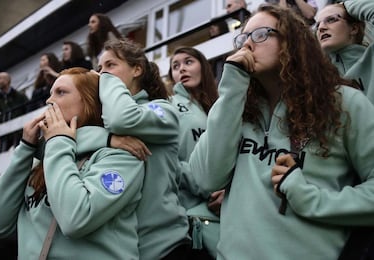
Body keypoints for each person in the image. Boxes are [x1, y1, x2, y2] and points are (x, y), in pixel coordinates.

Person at [183, 4, 374, 259]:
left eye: (260, 34)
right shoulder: (236, 106)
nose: (247, 45)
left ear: (292, 42)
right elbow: (206, 179)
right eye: (243, 38)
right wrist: (230, 92)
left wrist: (310, 200)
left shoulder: (344, 103)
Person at [0, 67, 145, 259]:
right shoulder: (45, 158)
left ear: (89, 101)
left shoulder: (121, 156)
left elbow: (75, 220)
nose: (49, 100)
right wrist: (26, 148)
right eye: (51, 92)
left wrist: (59, 140)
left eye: (61, 92)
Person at [97, 39, 190, 260]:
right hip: (119, 251)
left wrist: (108, 82)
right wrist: (107, 139)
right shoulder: (101, 124)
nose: (102, 74)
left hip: (166, 248)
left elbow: (122, 119)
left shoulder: (162, 109)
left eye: (110, 65)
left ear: (137, 69)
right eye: (99, 69)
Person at [168, 46, 220, 259]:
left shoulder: (219, 105)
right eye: (175, 66)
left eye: (188, 62)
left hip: (226, 209)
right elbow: (168, 159)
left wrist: (230, 190)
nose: (182, 69)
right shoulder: (169, 105)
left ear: (203, 67)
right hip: (189, 217)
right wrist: (207, 187)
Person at [315, 0, 374, 104]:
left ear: (354, 28)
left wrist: (345, 5)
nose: (321, 28)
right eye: (317, 25)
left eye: (331, 20)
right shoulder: (317, 77)